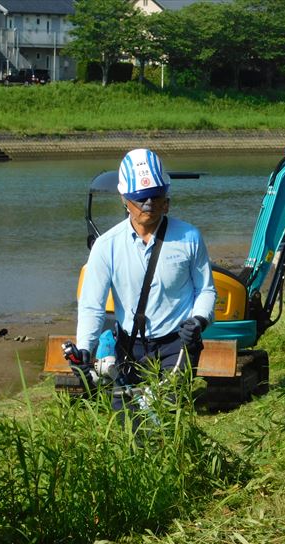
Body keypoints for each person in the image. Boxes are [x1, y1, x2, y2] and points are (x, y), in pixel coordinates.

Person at [64, 148, 217, 392]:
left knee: (167, 410)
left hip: (177, 343)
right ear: (124, 199)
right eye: (141, 199)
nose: (149, 205)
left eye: (155, 197)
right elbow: (92, 304)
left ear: (166, 198)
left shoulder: (189, 238)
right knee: (127, 414)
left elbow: (205, 289)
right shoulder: (106, 246)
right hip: (130, 346)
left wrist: (199, 321)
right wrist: (85, 347)